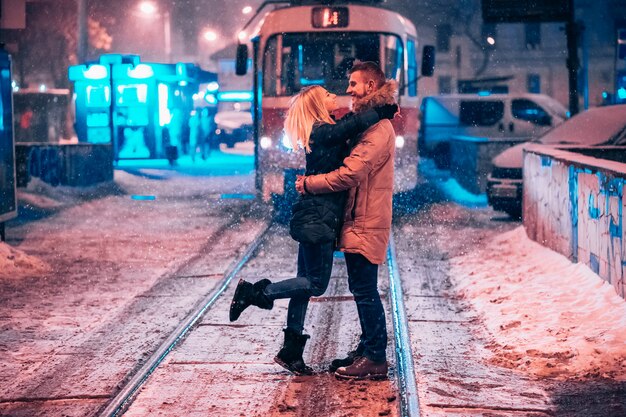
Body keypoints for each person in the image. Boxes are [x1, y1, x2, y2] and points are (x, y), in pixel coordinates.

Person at [229, 84, 398, 376]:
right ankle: (256, 292)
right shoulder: (320, 131)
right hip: (318, 217)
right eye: (328, 95)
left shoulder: (324, 130)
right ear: (319, 105)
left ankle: (291, 351)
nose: (337, 96)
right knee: (316, 284)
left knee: (303, 283)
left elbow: (348, 127)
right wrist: (379, 111)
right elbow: (351, 124)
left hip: (314, 215)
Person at [295, 61, 398, 380]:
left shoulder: (378, 128)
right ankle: (368, 347)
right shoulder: (368, 123)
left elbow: (352, 172)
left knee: (365, 290)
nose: (348, 89)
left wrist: (310, 183)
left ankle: (375, 356)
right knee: (361, 287)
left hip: (366, 219)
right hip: (358, 217)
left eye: (353, 84)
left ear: (370, 87)